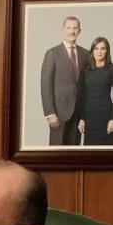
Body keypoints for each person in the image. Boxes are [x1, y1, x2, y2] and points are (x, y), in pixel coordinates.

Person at [37, 15, 88, 147]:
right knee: (56, 153)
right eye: (69, 28)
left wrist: (84, 115)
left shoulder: (85, 54)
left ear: (80, 30)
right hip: (58, 113)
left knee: (74, 154)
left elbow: (86, 86)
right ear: (63, 30)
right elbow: (45, 85)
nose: (72, 31)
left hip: (77, 113)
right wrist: (50, 113)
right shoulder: (52, 54)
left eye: (75, 28)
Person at [79, 36, 113, 146]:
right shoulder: (86, 70)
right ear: (92, 51)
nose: (99, 52)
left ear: (107, 51)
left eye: (103, 48)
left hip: (106, 116)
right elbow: (83, 96)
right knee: (90, 156)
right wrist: (82, 118)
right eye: (96, 48)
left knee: (107, 155)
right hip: (89, 117)